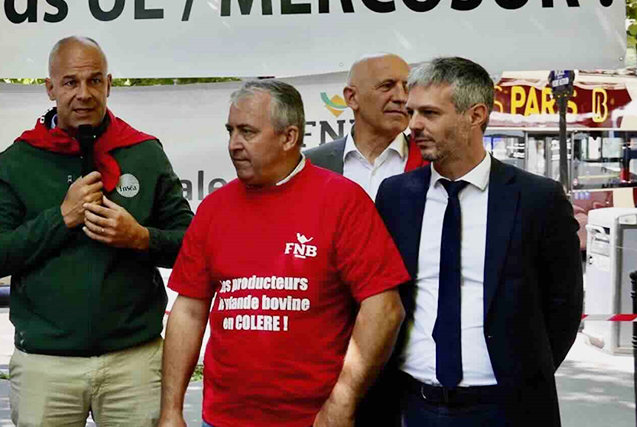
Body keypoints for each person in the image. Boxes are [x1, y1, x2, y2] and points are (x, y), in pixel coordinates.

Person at [161, 80, 410, 427]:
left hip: (312, 419)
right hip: (222, 419)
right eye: (230, 131)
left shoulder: (341, 201)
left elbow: (384, 307)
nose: (234, 144)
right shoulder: (214, 208)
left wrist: (343, 401)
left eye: (247, 132)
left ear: (289, 137)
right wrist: (171, 409)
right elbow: (188, 309)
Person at [0, 36, 194, 427]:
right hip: (46, 365)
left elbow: (192, 246)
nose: (84, 94)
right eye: (71, 82)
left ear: (109, 84)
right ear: (50, 88)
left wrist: (141, 238)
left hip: (135, 362)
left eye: (95, 81)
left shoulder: (144, 152)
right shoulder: (17, 161)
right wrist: (61, 218)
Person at [373, 57, 582, 426]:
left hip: (507, 409)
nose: (414, 126)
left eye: (430, 113)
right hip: (413, 405)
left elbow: (563, 305)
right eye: (412, 112)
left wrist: (526, 374)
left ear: (476, 115)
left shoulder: (537, 199)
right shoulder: (395, 196)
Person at [305, 53, 425, 199]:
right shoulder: (310, 164)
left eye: (407, 88)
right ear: (352, 97)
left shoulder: (433, 161)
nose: (401, 98)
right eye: (387, 86)